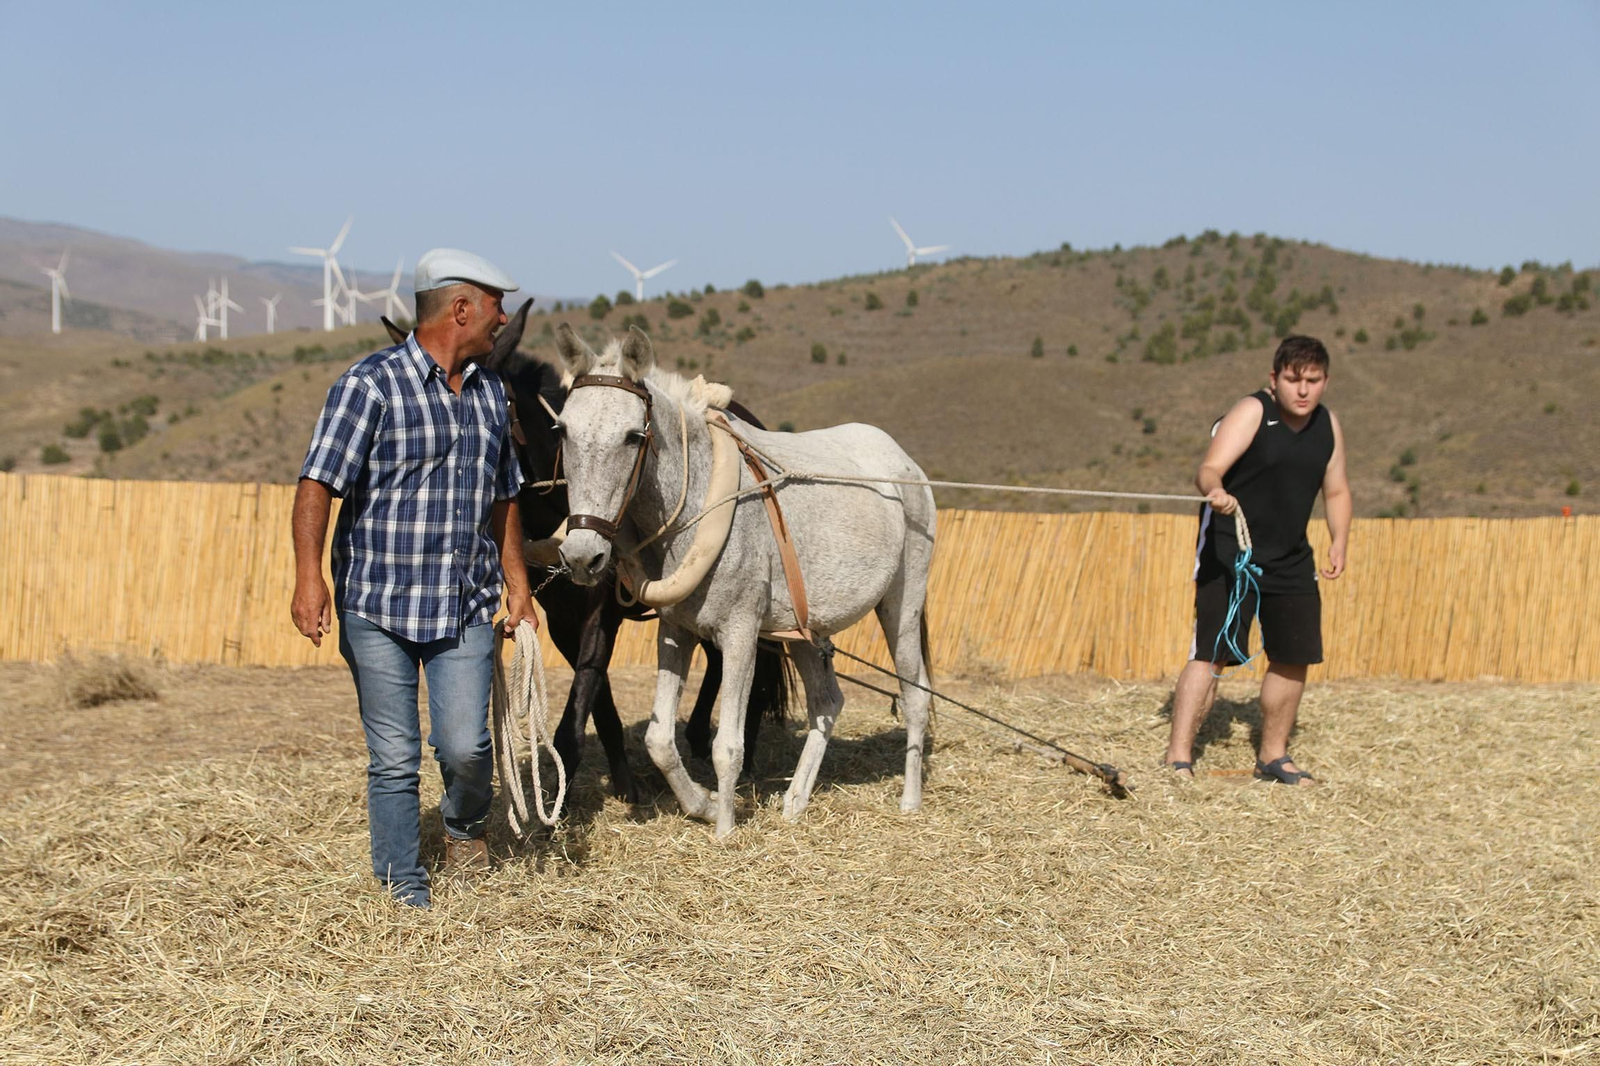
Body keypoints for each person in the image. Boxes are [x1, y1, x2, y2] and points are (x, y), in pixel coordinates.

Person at [290, 248, 536, 908]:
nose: (504, 319)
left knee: (465, 748)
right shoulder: (368, 386)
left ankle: (462, 829)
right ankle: (404, 889)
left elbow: (503, 497)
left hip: (462, 605)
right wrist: (308, 578)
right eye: (495, 306)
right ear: (461, 310)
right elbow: (318, 483)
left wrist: (518, 585)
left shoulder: (489, 393)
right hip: (378, 604)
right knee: (395, 757)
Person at [1161, 334, 1351, 785]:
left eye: (1313, 380)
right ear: (1274, 379)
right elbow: (1208, 468)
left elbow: (1337, 489)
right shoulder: (1252, 412)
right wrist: (1216, 490)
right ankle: (1177, 757)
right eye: (1292, 380)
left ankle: (1273, 756)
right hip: (1232, 550)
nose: (1302, 391)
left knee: (1294, 654)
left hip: (1290, 557)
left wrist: (1339, 539)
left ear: (1325, 381)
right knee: (1212, 652)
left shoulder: (1328, 426)